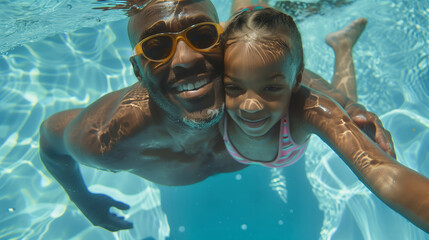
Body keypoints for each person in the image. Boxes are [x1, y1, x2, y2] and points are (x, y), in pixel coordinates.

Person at [39, 0, 394, 232]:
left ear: (223, 43)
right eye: (157, 47)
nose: (185, 60)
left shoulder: (249, 90)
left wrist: (354, 111)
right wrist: (82, 199)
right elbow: (49, 138)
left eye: (204, 36)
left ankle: (341, 44)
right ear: (137, 69)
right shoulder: (107, 139)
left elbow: (321, 96)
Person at [219, 5, 429, 232]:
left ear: (295, 81)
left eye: (271, 88)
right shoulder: (212, 95)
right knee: (242, 18)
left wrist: (352, 108)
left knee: (346, 107)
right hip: (248, 51)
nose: (250, 106)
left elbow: (383, 172)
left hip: (295, 102)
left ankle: (343, 44)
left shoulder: (306, 111)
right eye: (233, 87)